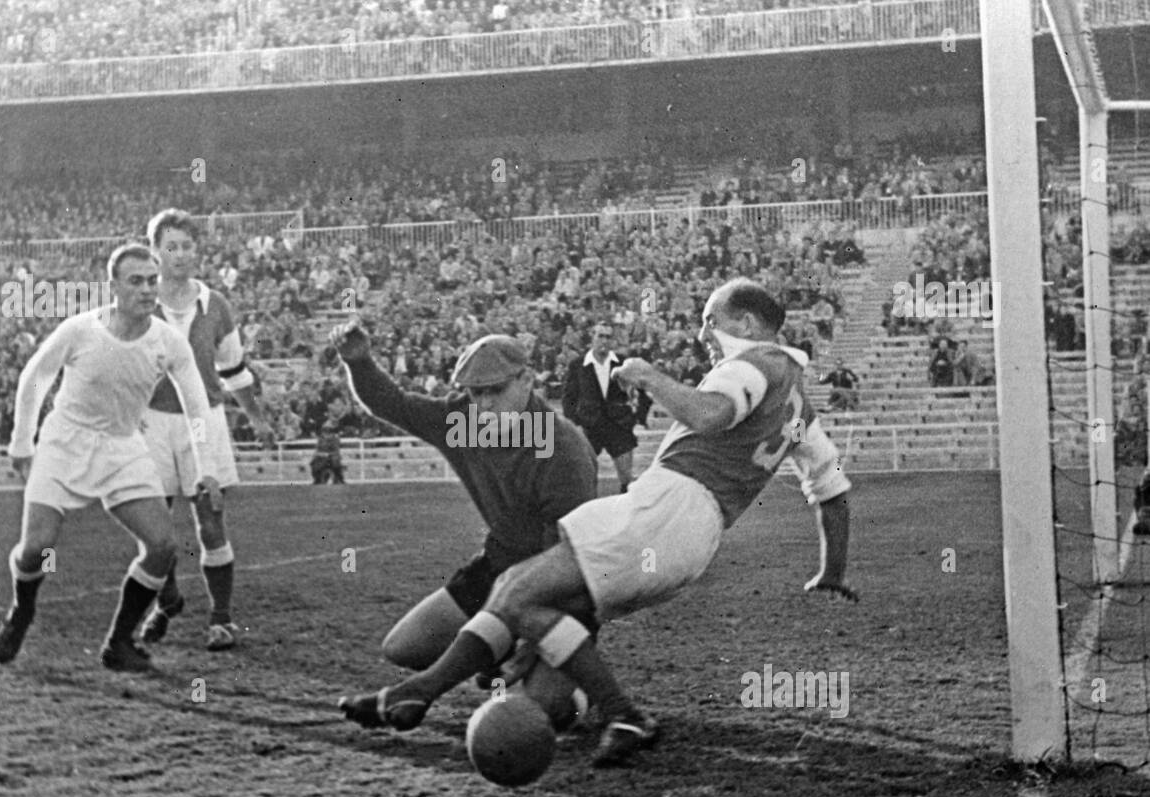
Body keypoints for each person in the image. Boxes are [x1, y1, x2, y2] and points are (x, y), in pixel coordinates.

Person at [339, 279, 856, 768]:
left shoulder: (754, 364)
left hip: (667, 508)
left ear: (743, 323)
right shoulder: (798, 405)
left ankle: (424, 696)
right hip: (697, 534)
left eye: (708, 319)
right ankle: (616, 714)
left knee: (520, 599)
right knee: (516, 600)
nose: (701, 334)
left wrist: (649, 376)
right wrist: (832, 571)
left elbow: (712, 415)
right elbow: (831, 489)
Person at [329, 322, 599, 687]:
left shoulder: (562, 446)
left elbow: (567, 556)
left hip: (559, 582)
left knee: (549, 708)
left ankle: (555, 674)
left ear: (527, 380)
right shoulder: (463, 421)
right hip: (499, 566)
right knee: (404, 647)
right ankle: (496, 650)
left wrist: (533, 638)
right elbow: (394, 404)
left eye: (496, 390)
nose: (485, 404)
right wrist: (360, 364)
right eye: (475, 393)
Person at [0, 243, 220, 673]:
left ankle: (119, 643)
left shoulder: (168, 342)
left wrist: (206, 466)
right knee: (36, 549)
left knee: (162, 546)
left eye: (152, 280)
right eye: (136, 281)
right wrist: (23, 442)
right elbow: (35, 376)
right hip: (64, 442)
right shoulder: (81, 330)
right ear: (113, 286)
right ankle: (22, 610)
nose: (148, 289)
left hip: (122, 447)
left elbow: (197, 406)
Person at [136, 209, 277, 653]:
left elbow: (234, 370)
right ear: (155, 252)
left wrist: (255, 416)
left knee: (210, 523)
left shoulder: (215, 306)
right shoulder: (137, 302)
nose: (180, 255)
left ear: (198, 251)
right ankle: (169, 599)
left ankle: (221, 618)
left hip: (204, 422)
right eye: (171, 246)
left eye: (187, 246)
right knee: (154, 530)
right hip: (151, 423)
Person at [561, 322, 651, 493]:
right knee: (583, 477)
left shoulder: (624, 363)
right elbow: (568, 398)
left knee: (627, 479)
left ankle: (626, 515)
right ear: (592, 339)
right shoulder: (577, 365)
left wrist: (639, 417)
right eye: (600, 336)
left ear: (613, 341)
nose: (604, 340)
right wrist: (574, 425)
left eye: (608, 337)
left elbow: (643, 392)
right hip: (589, 426)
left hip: (619, 426)